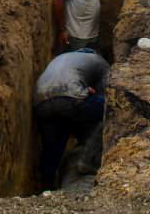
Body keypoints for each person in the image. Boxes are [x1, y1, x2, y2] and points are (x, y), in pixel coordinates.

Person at [34, 49, 110, 190]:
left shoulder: (61, 58)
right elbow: (108, 91)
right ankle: (88, 159)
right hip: (71, 98)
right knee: (111, 108)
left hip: (41, 102)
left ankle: (46, 189)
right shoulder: (100, 62)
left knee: (52, 150)